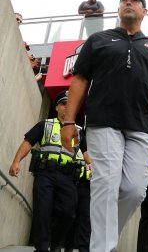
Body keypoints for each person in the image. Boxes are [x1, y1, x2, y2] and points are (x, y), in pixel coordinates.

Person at [61, 0, 148, 252]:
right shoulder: (99, 40)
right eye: (124, 0)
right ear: (118, 8)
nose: (128, 3)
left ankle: (104, 240)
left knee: (135, 190)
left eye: (134, 0)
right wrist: (69, 121)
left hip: (141, 126)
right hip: (103, 121)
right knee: (106, 182)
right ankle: (102, 248)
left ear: (143, 11)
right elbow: (79, 79)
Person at [8, 90, 87, 252]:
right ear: (57, 107)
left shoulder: (79, 131)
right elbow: (28, 142)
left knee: (68, 213)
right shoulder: (45, 125)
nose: (67, 107)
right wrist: (16, 161)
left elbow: (86, 154)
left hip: (68, 177)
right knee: (42, 211)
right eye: (63, 104)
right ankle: (42, 248)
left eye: (70, 104)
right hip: (45, 174)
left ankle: (56, 243)